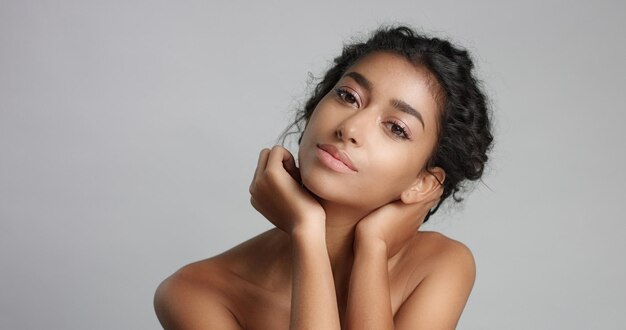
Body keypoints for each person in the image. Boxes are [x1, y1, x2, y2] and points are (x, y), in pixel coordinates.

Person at [154, 25, 493, 329]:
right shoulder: (194, 292)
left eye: (396, 128)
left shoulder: (439, 266)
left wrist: (372, 247)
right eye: (348, 96)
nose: (350, 128)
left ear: (423, 183)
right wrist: (307, 231)